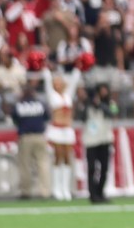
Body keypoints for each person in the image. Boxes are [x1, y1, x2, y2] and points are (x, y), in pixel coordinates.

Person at [43, 66, 82, 201]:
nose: (58, 85)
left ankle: (65, 188)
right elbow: (47, 82)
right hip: (57, 129)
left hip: (67, 129)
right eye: (56, 83)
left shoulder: (68, 95)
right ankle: (56, 188)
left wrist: (78, 69)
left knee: (67, 158)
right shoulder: (52, 96)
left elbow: (74, 82)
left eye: (60, 83)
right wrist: (46, 71)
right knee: (58, 157)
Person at [12, 82, 51, 200]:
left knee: (25, 165)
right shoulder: (40, 104)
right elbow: (47, 117)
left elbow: (15, 119)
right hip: (40, 136)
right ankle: (45, 191)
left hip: (26, 137)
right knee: (43, 164)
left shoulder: (19, 105)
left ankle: (26, 191)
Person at [81, 82, 118, 203]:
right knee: (92, 168)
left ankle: (100, 191)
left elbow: (113, 113)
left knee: (104, 168)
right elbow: (82, 117)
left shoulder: (111, 103)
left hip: (105, 139)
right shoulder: (88, 104)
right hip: (91, 140)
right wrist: (89, 103)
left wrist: (100, 104)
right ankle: (93, 194)